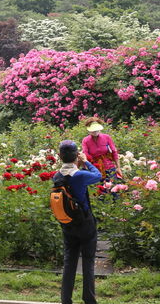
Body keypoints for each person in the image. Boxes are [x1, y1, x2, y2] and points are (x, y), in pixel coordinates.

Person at [55, 140, 102, 304]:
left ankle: (66, 300)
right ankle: (89, 299)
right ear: (76, 156)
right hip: (85, 224)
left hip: (67, 223)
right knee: (88, 262)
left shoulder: (57, 176)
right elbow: (98, 176)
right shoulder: (81, 175)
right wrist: (86, 161)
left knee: (69, 262)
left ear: (60, 156)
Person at [81, 118, 120, 191]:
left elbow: (114, 151)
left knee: (113, 189)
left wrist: (118, 167)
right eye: (93, 130)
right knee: (100, 191)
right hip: (95, 168)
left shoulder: (106, 137)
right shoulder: (85, 140)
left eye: (96, 130)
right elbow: (85, 154)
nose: (95, 132)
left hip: (109, 166)